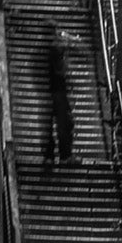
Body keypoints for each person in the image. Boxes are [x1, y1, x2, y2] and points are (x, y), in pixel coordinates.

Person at [41, 29, 76, 165]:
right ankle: (64, 155)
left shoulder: (48, 51)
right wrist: (66, 51)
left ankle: (51, 155)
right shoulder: (55, 51)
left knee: (50, 124)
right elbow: (60, 69)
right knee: (64, 123)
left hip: (51, 90)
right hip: (57, 90)